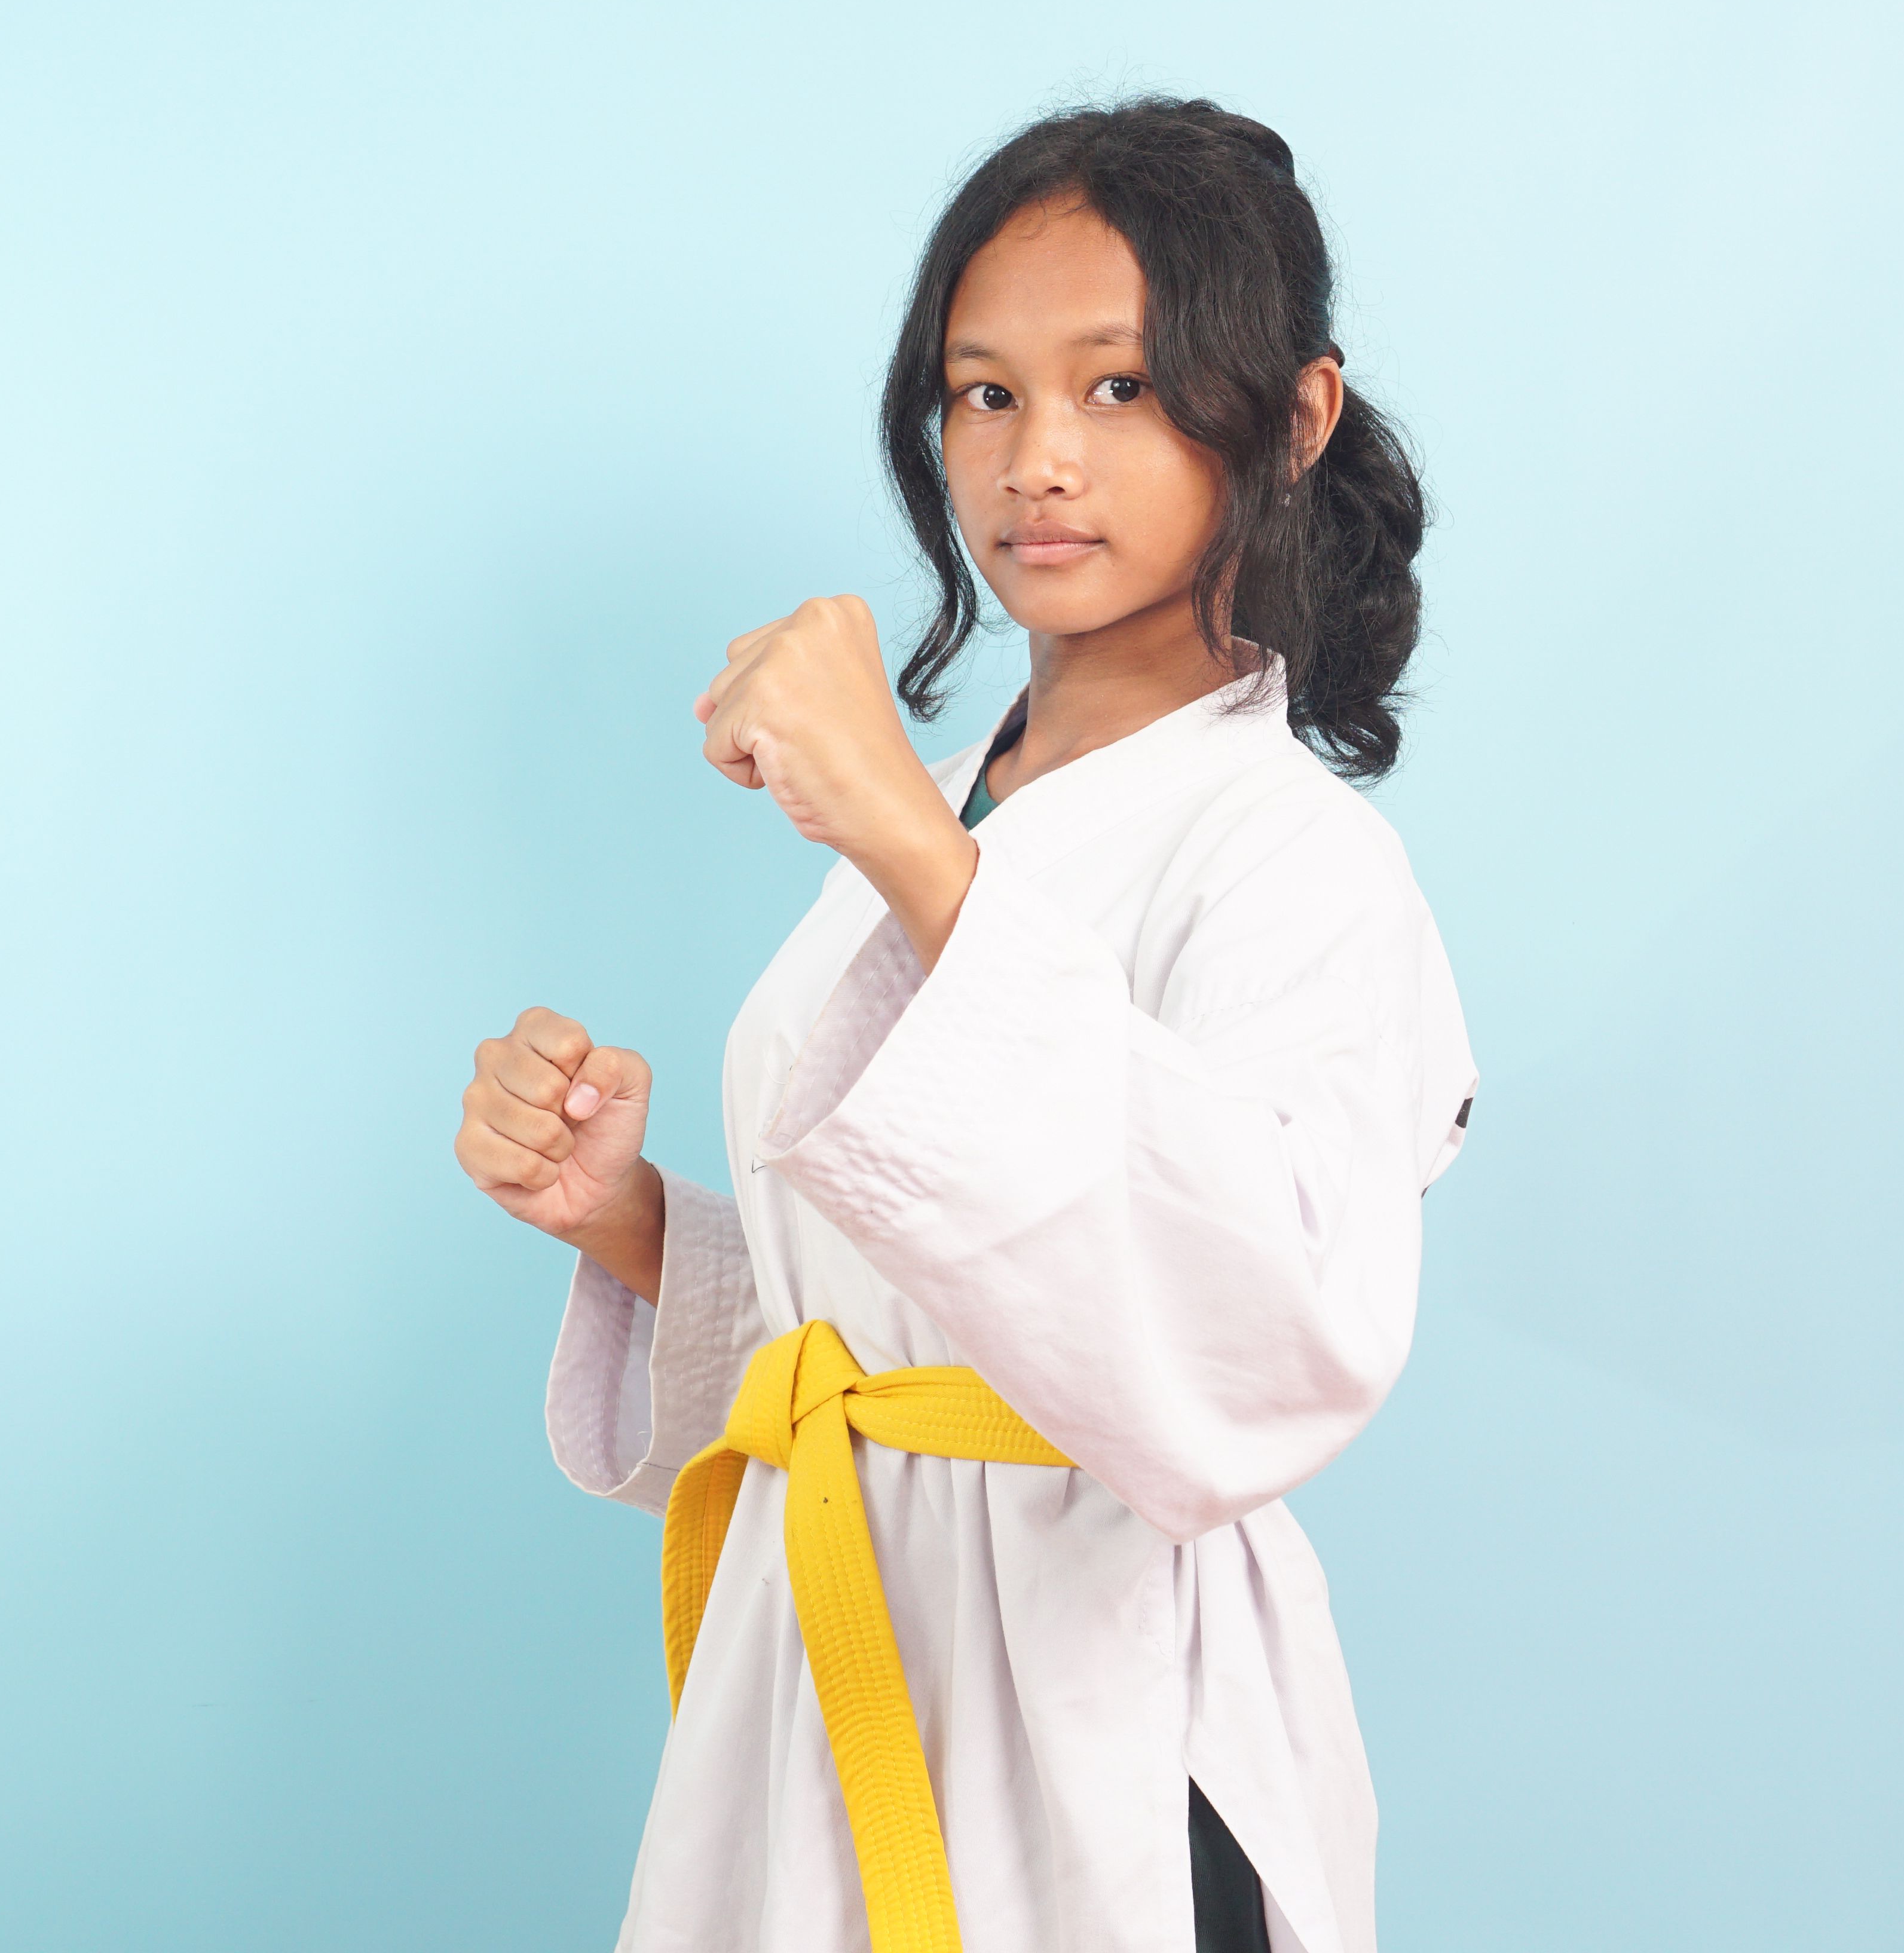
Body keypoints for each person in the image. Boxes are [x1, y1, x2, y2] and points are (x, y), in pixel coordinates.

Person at [454, 97, 1476, 1953]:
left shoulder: (1290, 858)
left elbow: (1271, 1337)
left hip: (1104, 1731)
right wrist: (631, 1220)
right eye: (985, 394)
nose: (1037, 462)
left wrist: (921, 853)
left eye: (1122, 389)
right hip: (838, 1683)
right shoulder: (947, 804)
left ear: (1294, 417)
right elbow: (863, 1324)